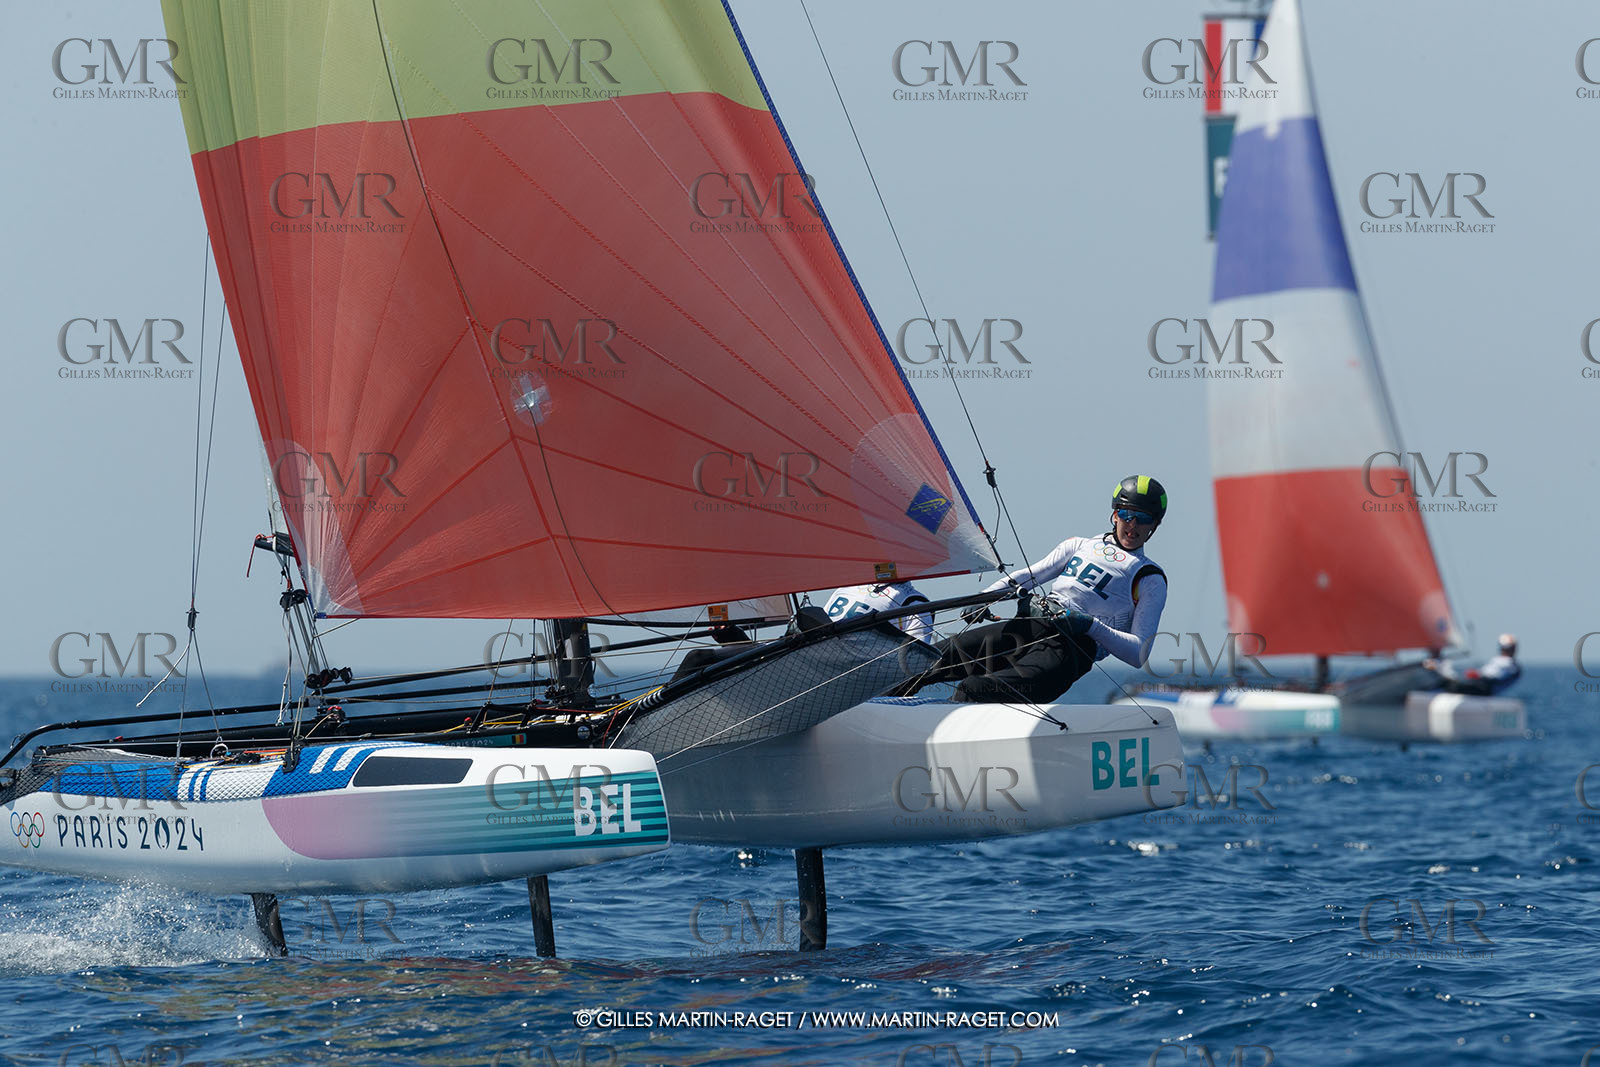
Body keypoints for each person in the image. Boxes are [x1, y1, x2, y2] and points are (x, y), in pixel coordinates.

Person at [903, 475, 1170, 704]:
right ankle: (877, 710)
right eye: (1126, 514)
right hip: (1029, 627)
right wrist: (984, 599)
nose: (1132, 524)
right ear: (1114, 514)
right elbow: (1027, 577)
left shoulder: (1149, 578)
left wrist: (1088, 625)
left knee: (975, 689)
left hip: (1068, 653)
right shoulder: (1079, 545)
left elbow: (1138, 653)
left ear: (1154, 526)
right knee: (922, 662)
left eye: (1142, 518)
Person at [823, 581, 935, 644]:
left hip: (867, 674)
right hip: (827, 661)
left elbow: (916, 659)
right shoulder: (847, 586)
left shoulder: (914, 602)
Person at [1425, 634, 1521, 696]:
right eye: (1504, 647)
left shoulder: (1511, 666)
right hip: (1479, 685)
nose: (1505, 650)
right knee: (1450, 681)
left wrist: (1477, 675)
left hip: (1484, 689)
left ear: (1514, 649)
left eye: (1508, 648)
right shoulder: (1500, 661)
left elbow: (1491, 676)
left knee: (1450, 685)